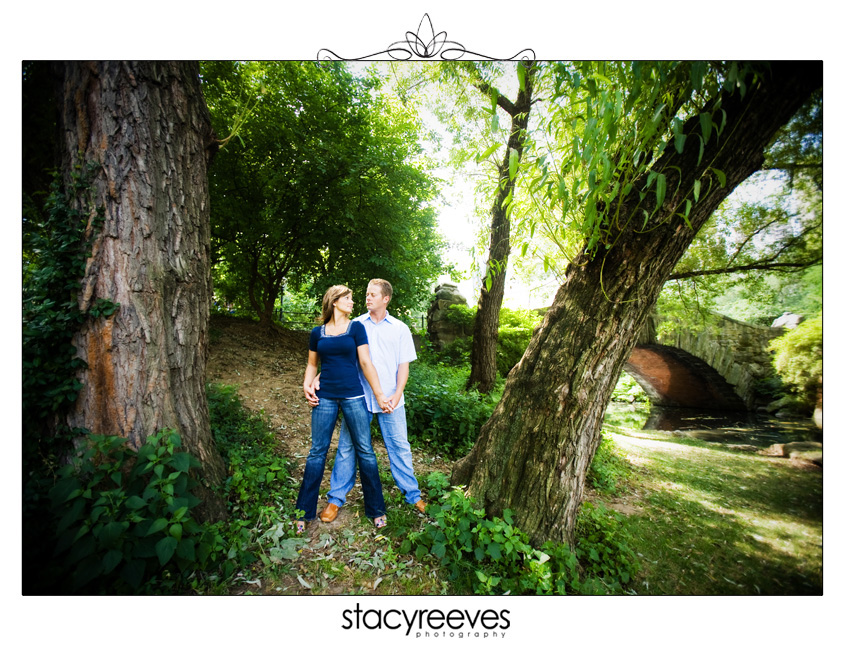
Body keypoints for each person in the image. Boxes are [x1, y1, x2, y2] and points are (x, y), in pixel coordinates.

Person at [305, 279, 425, 523]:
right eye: (366, 294)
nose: (367, 298)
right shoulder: (355, 324)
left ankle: (413, 495)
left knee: (399, 447)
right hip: (358, 397)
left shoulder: (400, 328)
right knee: (347, 449)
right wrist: (319, 376)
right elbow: (340, 356)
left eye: (372, 295)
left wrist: (397, 393)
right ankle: (335, 499)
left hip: (390, 398)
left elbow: (404, 367)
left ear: (386, 299)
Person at [295, 285, 391, 534]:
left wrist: (379, 394)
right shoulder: (318, 333)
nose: (352, 302)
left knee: (366, 451)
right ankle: (303, 512)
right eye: (347, 298)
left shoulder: (356, 328)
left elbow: (365, 362)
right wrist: (307, 385)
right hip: (324, 396)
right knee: (317, 452)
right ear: (334, 301)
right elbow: (311, 363)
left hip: (353, 395)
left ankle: (376, 510)